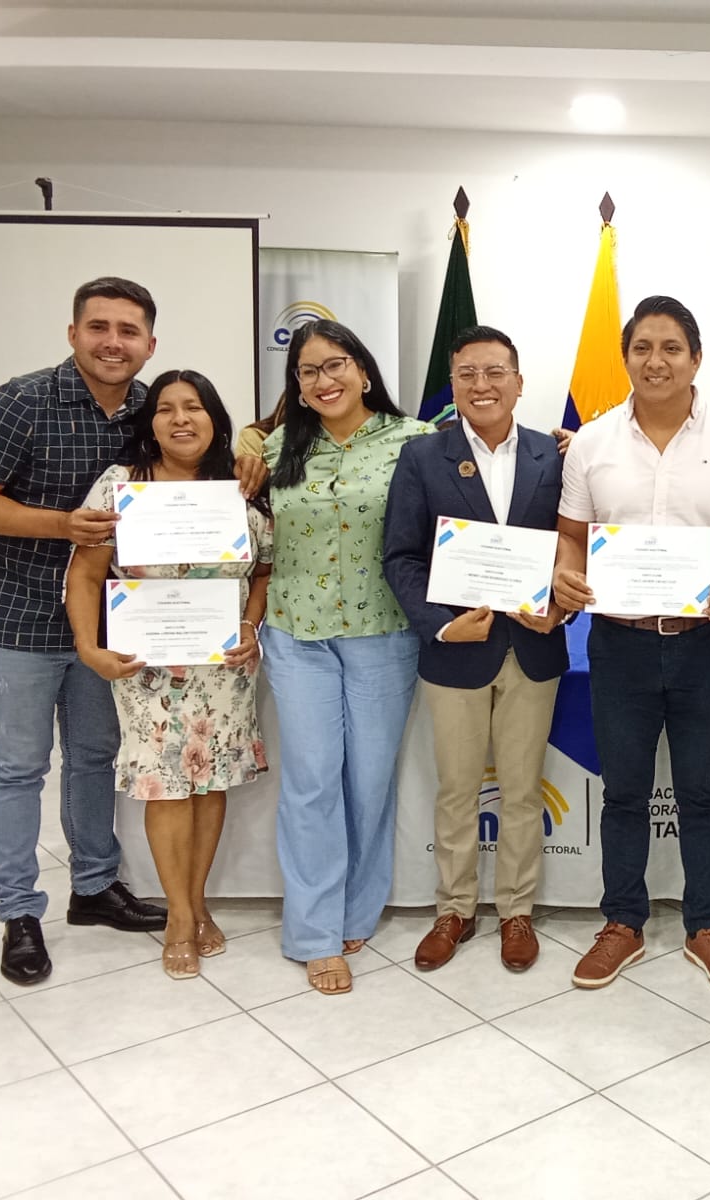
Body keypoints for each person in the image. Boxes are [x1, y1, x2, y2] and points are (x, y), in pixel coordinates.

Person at [0, 276, 261, 985]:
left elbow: (209, 440)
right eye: (99, 327)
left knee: (92, 760)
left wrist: (248, 456)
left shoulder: (151, 407)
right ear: (73, 333)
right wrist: (62, 525)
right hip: (22, 616)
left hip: (125, 635)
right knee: (19, 768)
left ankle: (93, 886)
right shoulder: (22, 401)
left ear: (149, 343)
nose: (113, 342)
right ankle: (19, 912)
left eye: (128, 331)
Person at [553, 294, 710, 994]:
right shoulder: (592, 443)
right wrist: (566, 574)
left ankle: (706, 926)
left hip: (704, 643)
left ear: (696, 359)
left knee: (702, 795)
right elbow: (572, 537)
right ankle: (622, 922)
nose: (656, 361)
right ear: (626, 358)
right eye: (643, 348)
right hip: (618, 643)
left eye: (671, 348)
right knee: (622, 793)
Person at [64, 370, 272, 979]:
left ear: (214, 419)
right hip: (147, 669)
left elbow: (263, 571)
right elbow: (85, 574)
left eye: (194, 407)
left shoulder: (240, 487)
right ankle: (179, 917)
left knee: (209, 782)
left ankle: (198, 901)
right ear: (150, 423)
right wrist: (88, 647)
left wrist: (251, 625)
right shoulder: (121, 485)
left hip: (222, 667)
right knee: (167, 787)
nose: (180, 419)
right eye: (166, 409)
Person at [384, 325, 569, 973]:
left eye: (495, 373)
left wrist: (559, 606)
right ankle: (454, 910)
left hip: (533, 648)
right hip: (455, 651)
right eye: (467, 374)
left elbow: (574, 546)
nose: (481, 385)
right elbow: (401, 557)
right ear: (453, 384)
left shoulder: (555, 455)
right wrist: (439, 626)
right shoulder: (421, 456)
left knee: (521, 791)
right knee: (457, 790)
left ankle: (516, 911)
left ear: (518, 382)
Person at [261, 319, 433, 995]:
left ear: (363, 370)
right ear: (297, 385)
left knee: (368, 780)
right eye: (308, 371)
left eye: (335, 365)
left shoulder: (415, 440)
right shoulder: (276, 447)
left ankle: (357, 911)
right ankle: (314, 933)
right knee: (310, 781)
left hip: (384, 632)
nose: (323, 380)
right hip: (296, 632)